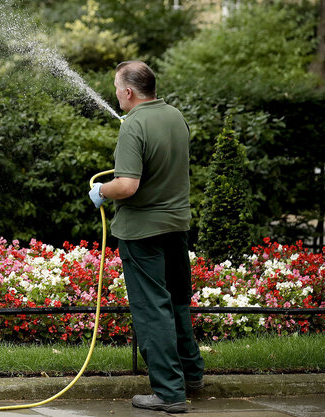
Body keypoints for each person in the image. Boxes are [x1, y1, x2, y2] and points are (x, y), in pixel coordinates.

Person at [88, 61, 205, 413]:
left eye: (116, 88)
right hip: (177, 227)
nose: (114, 94)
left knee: (152, 308)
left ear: (128, 92)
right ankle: (191, 374)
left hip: (142, 233)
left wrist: (101, 192)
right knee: (178, 300)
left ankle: (169, 392)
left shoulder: (134, 126)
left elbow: (127, 185)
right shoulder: (174, 116)